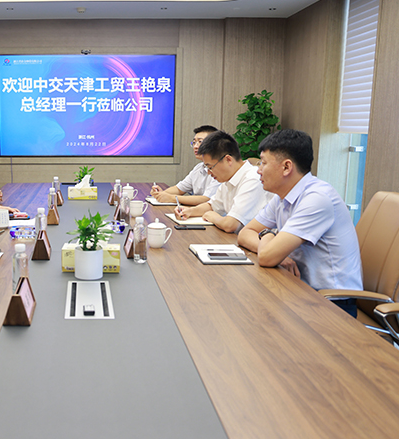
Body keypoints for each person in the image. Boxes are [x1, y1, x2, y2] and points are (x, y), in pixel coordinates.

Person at [237, 129, 363, 316]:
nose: (258, 170)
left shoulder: (317, 198)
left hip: (332, 304)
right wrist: (273, 249)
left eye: (263, 163)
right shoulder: (283, 196)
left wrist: (267, 236)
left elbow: (266, 257)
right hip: (299, 289)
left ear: (286, 167)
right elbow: (245, 234)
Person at [174, 130, 271, 233]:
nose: (209, 173)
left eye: (210, 167)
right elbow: (212, 205)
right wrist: (189, 211)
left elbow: (230, 225)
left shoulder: (252, 178)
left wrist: (212, 216)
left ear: (228, 160)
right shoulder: (228, 179)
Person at [150, 125, 220, 205]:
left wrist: (172, 198)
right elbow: (179, 189)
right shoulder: (199, 167)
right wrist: (161, 194)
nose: (195, 146)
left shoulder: (220, 169)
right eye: (194, 142)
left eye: (200, 142)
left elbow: (206, 199)